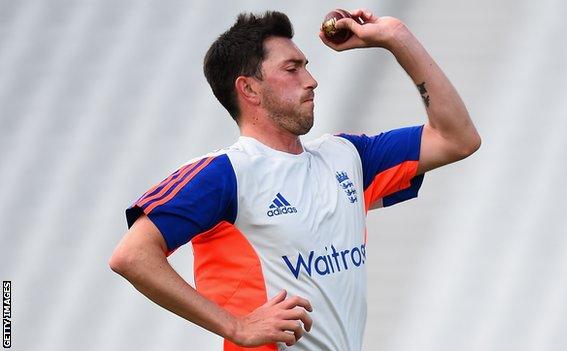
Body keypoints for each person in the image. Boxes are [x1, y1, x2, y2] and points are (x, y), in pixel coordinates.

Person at [109, 9, 480, 351]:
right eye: (292, 69)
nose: (312, 80)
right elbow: (132, 256)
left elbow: (457, 139)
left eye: (307, 66)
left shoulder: (347, 157)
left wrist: (396, 37)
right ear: (249, 89)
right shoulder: (224, 173)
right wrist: (236, 326)